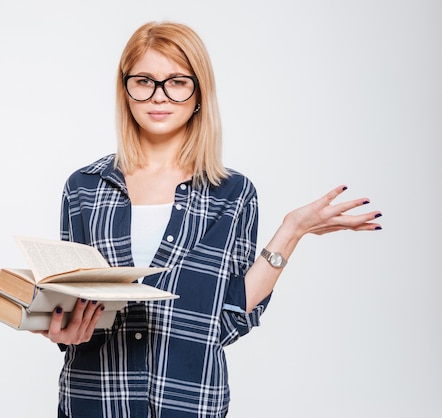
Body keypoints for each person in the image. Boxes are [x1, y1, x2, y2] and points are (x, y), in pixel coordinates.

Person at [33, 21, 382, 418]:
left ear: (198, 92)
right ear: (125, 89)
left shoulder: (231, 194)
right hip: (93, 402)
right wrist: (61, 328)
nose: (158, 96)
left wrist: (292, 230)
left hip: (189, 404)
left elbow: (229, 320)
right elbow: (71, 298)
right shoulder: (84, 188)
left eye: (177, 82)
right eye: (144, 81)